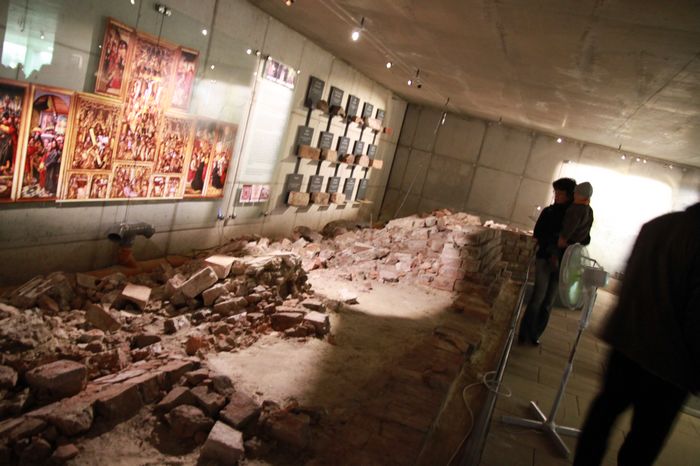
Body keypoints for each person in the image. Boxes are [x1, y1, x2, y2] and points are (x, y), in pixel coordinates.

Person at [573, 202, 700, 466]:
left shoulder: (657, 226)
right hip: (669, 362)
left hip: (626, 342)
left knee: (604, 413)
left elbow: (628, 280)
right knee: (644, 440)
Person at [518, 177, 577, 345]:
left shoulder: (574, 215)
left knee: (549, 301)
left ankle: (535, 334)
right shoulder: (549, 212)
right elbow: (538, 233)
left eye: (560, 193)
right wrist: (555, 241)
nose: (556, 196)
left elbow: (584, 238)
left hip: (563, 263)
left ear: (569, 195)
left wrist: (566, 243)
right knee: (538, 296)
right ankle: (524, 333)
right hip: (544, 258)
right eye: (555, 192)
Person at [558, 181, 594, 249]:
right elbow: (589, 225)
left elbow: (570, 225)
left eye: (576, 193)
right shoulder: (589, 209)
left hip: (570, 241)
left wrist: (563, 239)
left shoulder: (576, 209)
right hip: (580, 242)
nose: (574, 194)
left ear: (580, 195)